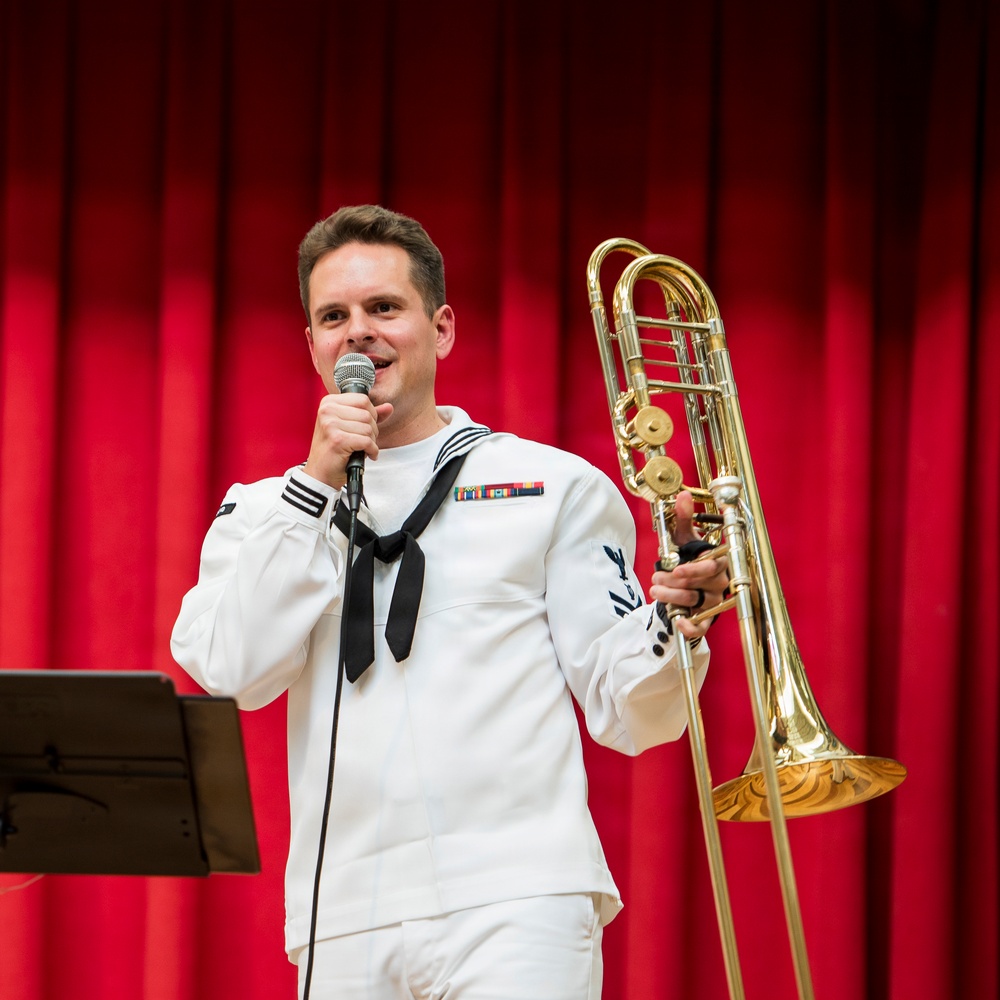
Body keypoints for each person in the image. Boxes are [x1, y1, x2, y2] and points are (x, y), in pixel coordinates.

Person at [171, 205, 728, 1000]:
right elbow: (231, 671)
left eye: (383, 308)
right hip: (342, 914)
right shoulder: (265, 510)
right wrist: (316, 487)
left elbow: (630, 711)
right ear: (313, 346)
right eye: (334, 316)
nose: (358, 334)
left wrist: (676, 618)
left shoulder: (553, 485)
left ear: (442, 329)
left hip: (520, 897)